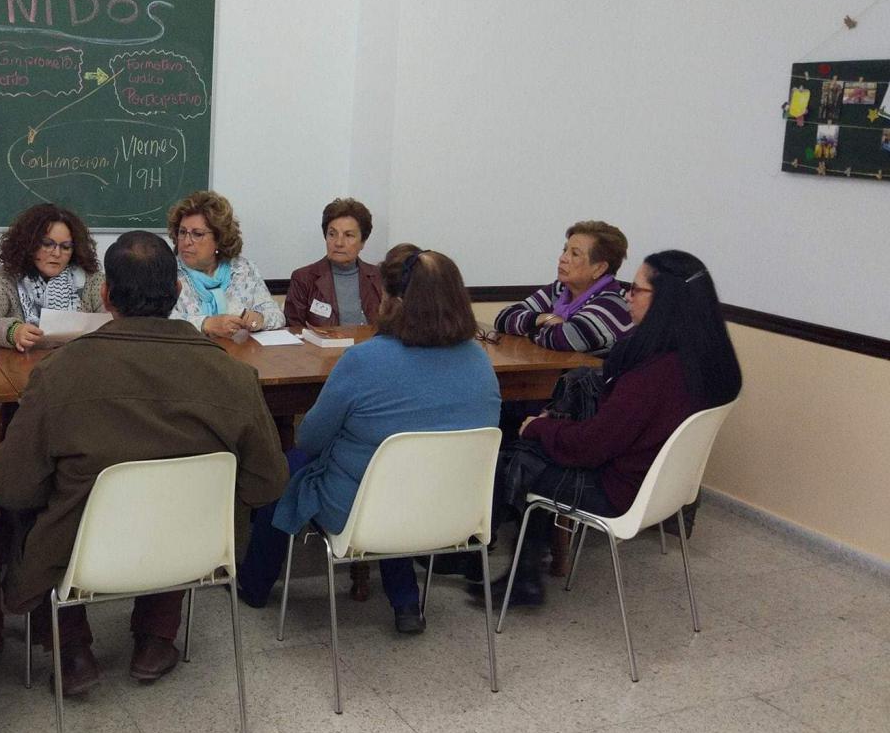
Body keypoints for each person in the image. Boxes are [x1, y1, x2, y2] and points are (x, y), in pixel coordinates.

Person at [0, 231, 288, 693]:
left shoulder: (58, 373)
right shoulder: (234, 376)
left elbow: (11, 487)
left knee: (37, 500)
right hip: (192, 547)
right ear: (176, 291)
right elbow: (267, 483)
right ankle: (156, 638)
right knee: (177, 504)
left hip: (81, 548)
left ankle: (71, 650)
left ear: (107, 296)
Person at [237, 246, 501, 633]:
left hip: (369, 509)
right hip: (452, 511)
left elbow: (310, 438)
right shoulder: (479, 361)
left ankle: (255, 585)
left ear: (392, 301)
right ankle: (405, 601)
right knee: (395, 476)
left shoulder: (365, 360)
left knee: (290, 466)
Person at [479, 250, 742, 607]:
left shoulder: (655, 374)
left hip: (618, 489)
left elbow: (590, 448)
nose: (627, 297)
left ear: (666, 300)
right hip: (665, 488)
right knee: (547, 436)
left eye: (636, 289)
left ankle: (500, 565)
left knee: (518, 455)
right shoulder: (710, 360)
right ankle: (525, 572)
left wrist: (539, 428)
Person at [0, 203, 104, 352]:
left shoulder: (92, 280)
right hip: (22, 364)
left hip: (79, 361)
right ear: (29, 244)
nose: (56, 253)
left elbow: (115, 324)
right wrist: (12, 332)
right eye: (47, 244)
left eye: (66, 247)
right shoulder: (6, 278)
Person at [494, 220, 633, 354]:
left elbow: (562, 339)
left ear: (599, 268)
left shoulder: (614, 302)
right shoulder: (560, 289)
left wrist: (527, 327)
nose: (563, 258)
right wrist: (546, 318)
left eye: (575, 254)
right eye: (565, 250)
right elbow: (503, 318)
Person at [168, 190, 285, 338]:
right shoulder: (167, 272)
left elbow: (276, 315)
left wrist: (259, 319)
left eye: (197, 234)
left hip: (239, 350)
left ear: (219, 239)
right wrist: (205, 324)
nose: (186, 241)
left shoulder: (242, 269)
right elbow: (157, 322)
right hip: (189, 351)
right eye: (182, 232)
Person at [284, 197, 384, 328]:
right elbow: (294, 330)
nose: (338, 243)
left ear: (363, 242)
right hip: (320, 343)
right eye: (332, 234)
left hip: (370, 342)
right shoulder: (304, 279)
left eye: (348, 235)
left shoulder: (380, 277)